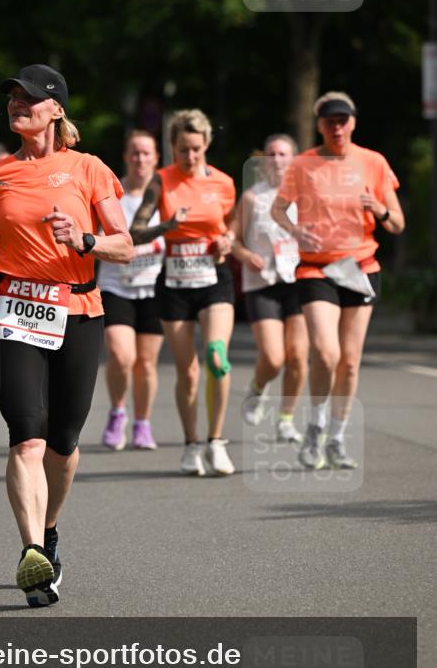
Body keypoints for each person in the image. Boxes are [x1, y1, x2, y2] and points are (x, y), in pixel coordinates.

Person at [0, 64, 131, 607]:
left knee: (64, 442)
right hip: (14, 310)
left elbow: (124, 245)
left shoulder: (88, 168)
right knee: (26, 436)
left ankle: (49, 531)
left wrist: (83, 239)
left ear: (56, 109)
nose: (17, 105)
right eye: (12, 98)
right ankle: (32, 553)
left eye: (29, 99)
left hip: (78, 308)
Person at [271, 92, 404, 469]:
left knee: (349, 362)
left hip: (361, 268)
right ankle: (315, 427)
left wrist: (379, 208)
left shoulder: (373, 162)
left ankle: (337, 438)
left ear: (353, 123)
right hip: (316, 269)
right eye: (330, 121)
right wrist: (296, 231)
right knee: (326, 353)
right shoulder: (303, 164)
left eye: (343, 120)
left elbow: (397, 223)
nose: (337, 127)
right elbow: (277, 210)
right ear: (319, 125)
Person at [130, 109, 236, 477]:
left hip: (213, 277)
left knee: (216, 357)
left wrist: (227, 240)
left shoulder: (223, 183)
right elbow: (135, 232)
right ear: (172, 147)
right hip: (174, 282)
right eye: (182, 150)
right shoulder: (161, 181)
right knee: (188, 372)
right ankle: (191, 444)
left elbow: (230, 226)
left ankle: (216, 441)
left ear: (206, 145)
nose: (189, 157)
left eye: (196, 149)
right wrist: (168, 226)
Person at [232, 135, 308, 444]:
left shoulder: (305, 196)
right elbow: (232, 240)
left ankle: (286, 420)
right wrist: (246, 255)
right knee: (274, 358)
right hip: (262, 284)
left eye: (283, 154)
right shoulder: (252, 198)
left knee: (298, 356)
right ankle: (258, 389)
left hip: (299, 283)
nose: (277, 159)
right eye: (272, 154)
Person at [99, 130, 164, 450]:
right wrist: (119, 249)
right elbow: (97, 239)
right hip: (116, 286)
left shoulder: (165, 197)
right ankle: (117, 412)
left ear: (156, 158)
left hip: (153, 287)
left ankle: (143, 423)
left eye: (146, 153)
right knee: (121, 356)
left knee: (146, 364)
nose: (140, 159)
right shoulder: (112, 195)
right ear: (126, 157)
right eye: (135, 153)